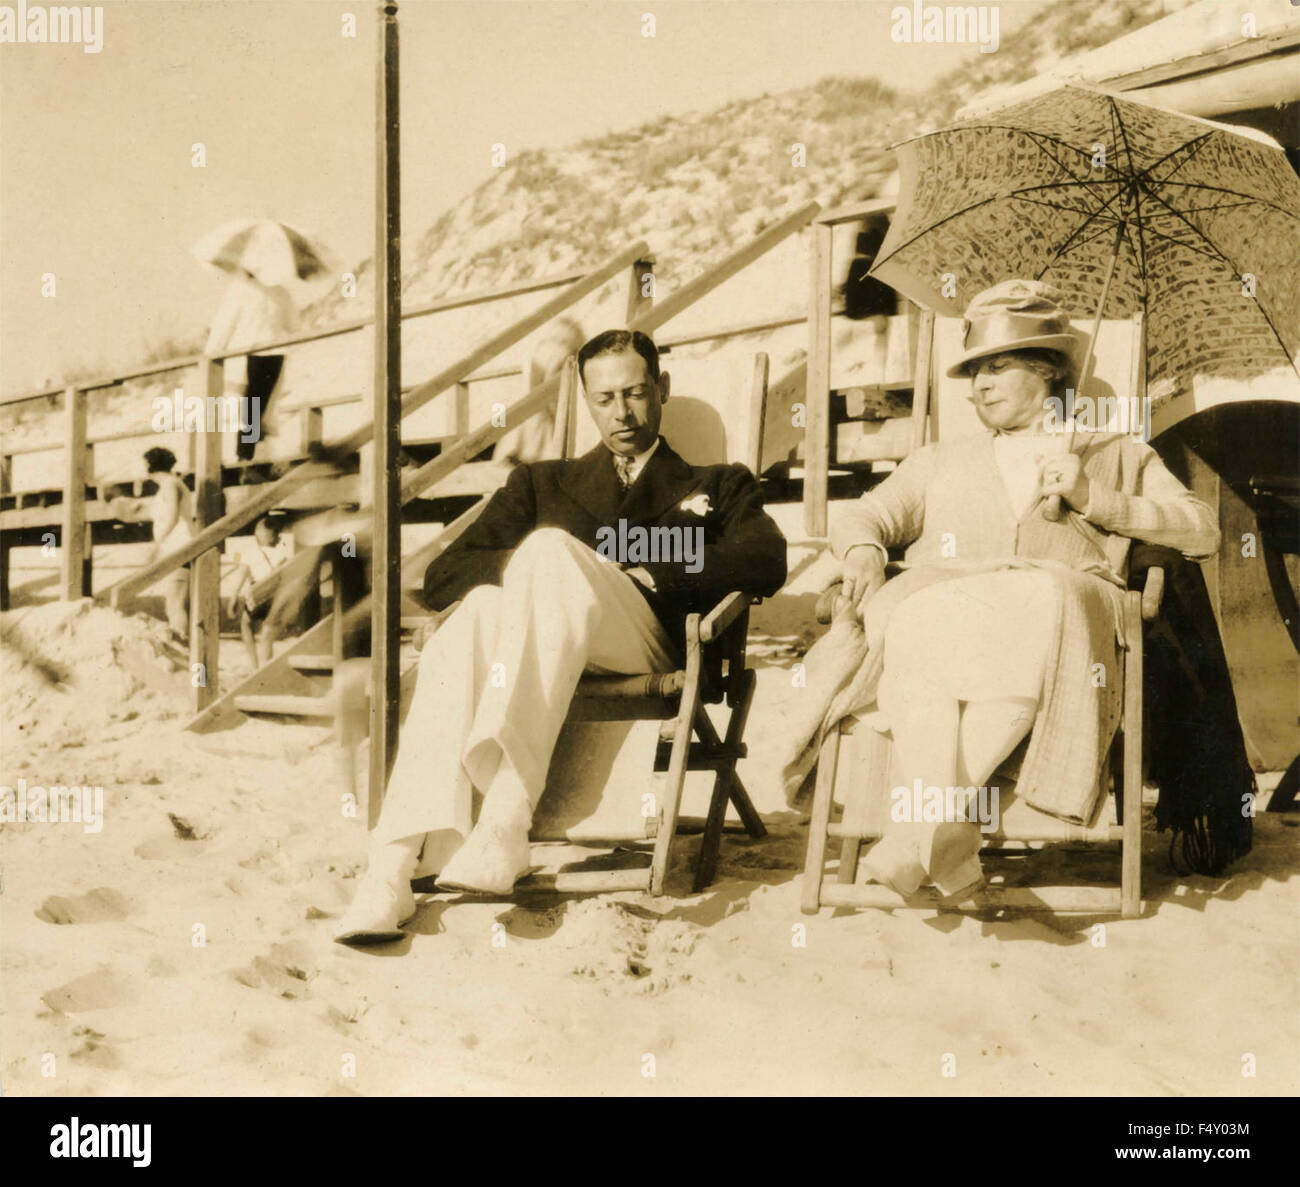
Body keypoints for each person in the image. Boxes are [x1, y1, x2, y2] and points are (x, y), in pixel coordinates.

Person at [335, 328, 788, 943]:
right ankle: (391, 867)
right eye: (604, 399)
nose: (621, 413)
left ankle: (505, 817)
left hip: (651, 642)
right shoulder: (542, 482)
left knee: (549, 548)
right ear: (584, 400)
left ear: (662, 389)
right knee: (478, 610)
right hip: (545, 646)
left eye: (635, 393)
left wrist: (643, 568)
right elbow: (445, 574)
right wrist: (542, 580)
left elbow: (764, 559)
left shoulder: (719, 481)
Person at [829, 279, 1219, 898]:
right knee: (918, 623)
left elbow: (1202, 530)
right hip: (950, 621)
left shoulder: (1114, 452)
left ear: (1048, 369)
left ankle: (911, 835)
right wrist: (863, 552)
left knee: (1042, 594)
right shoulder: (940, 458)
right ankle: (933, 840)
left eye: (996, 367)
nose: (978, 385)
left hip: (1059, 621)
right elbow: (864, 513)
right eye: (972, 371)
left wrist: (1096, 497)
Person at [205, 267, 297, 462]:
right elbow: (293, 325)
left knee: (248, 408)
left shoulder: (240, 289)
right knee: (262, 408)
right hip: (274, 352)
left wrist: (210, 354)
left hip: (248, 352)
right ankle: (256, 456)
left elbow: (223, 326)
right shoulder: (280, 291)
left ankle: (244, 456)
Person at [141, 447, 195, 645]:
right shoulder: (170, 484)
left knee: (175, 603)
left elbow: (173, 516)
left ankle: (183, 645)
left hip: (178, 548)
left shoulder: (171, 484)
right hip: (174, 548)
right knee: (173, 603)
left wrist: (157, 545)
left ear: (150, 466)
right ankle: (183, 644)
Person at [225, 516, 294, 667]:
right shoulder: (282, 554)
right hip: (274, 594)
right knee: (268, 630)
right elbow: (282, 576)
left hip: (257, 592)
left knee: (246, 625)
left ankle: (254, 664)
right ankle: (266, 664)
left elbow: (242, 575)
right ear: (275, 536)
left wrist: (233, 597)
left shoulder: (250, 552)